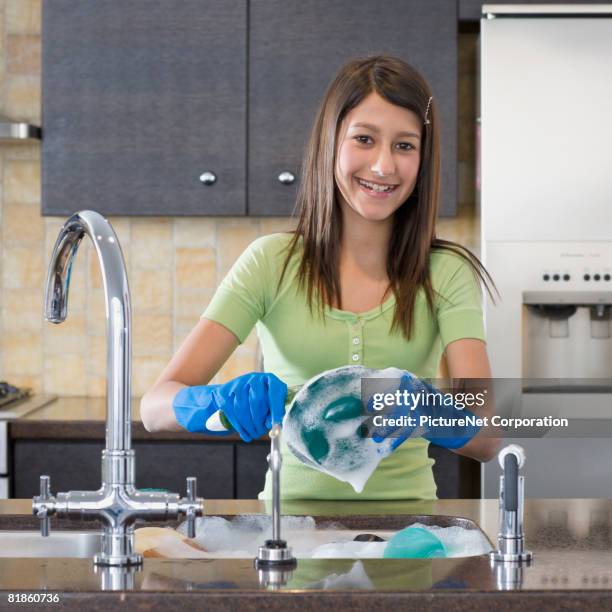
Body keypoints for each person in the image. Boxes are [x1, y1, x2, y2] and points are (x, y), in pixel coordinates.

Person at [140, 55, 499, 500]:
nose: (384, 166)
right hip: (288, 535)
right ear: (330, 143)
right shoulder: (270, 263)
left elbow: (487, 435)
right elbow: (155, 408)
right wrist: (212, 404)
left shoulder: (445, 273)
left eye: (405, 146)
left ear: (424, 160)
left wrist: (427, 410)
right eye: (364, 139)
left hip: (408, 539)